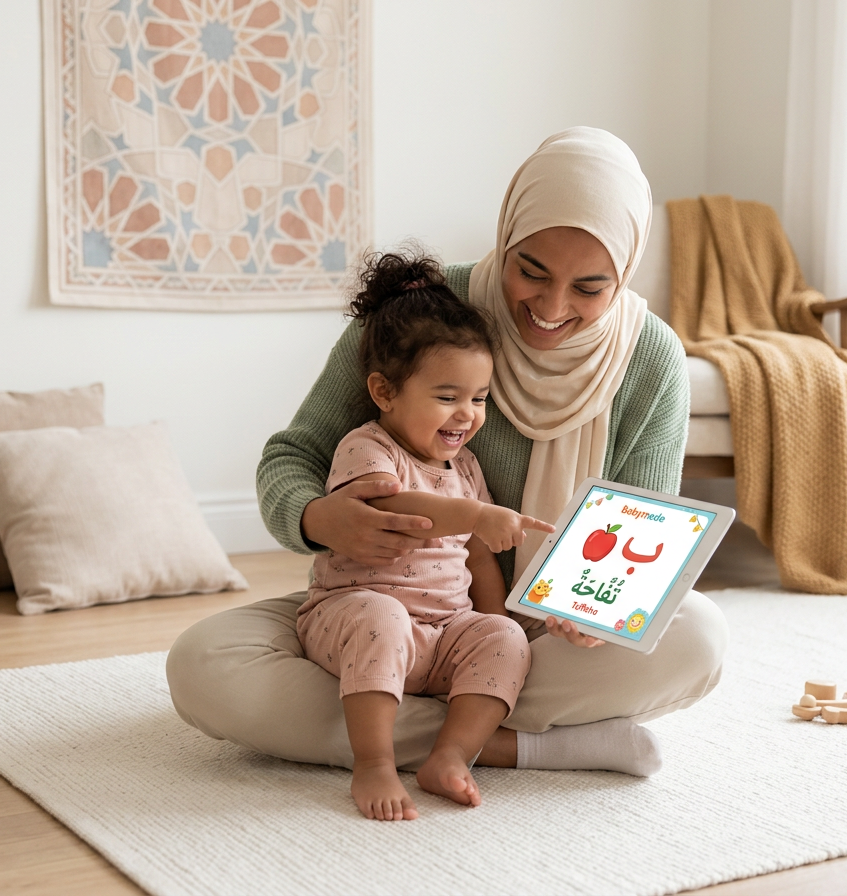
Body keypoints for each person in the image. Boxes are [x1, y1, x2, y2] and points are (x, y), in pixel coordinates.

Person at [166, 127, 728, 783]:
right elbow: (293, 459)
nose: (549, 308)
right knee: (204, 663)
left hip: (529, 634)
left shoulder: (652, 359)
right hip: (379, 608)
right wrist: (320, 518)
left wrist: (602, 616)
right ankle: (520, 742)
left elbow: (644, 529)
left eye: (589, 288)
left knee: (699, 639)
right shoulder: (425, 315)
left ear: (625, 271)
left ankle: (402, 719)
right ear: (506, 234)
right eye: (531, 271)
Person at [299, 250, 554, 821]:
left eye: (479, 398)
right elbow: (392, 505)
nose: (467, 414)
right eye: (447, 397)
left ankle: (451, 756)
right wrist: (475, 516)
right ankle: (375, 763)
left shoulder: (465, 469)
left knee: (503, 637)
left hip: (440, 636)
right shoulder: (366, 447)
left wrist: (497, 624)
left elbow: (480, 562)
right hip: (353, 616)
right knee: (381, 617)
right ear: (385, 392)